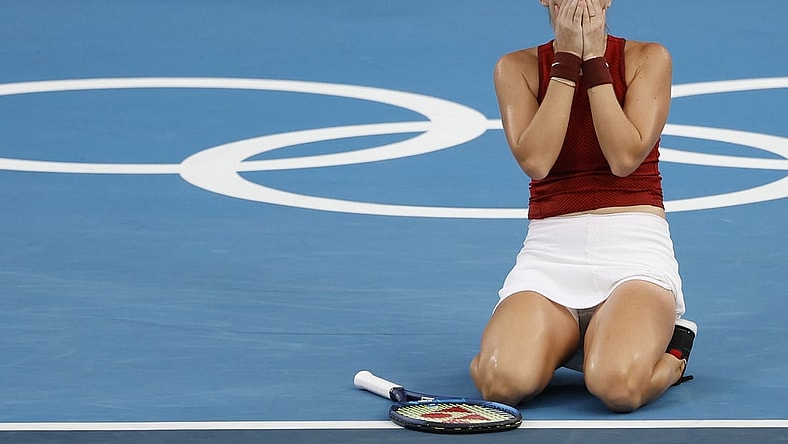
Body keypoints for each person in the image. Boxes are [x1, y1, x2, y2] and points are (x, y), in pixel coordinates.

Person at [470, 0, 697, 413]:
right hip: (550, 257)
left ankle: (674, 354)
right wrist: (566, 61)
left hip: (634, 255)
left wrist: (594, 59)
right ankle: (563, 342)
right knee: (500, 383)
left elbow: (624, 158)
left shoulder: (649, 58)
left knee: (618, 387)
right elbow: (537, 161)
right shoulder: (515, 68)